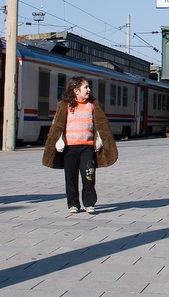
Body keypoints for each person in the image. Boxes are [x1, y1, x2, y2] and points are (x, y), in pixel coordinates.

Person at [42, 76, 118, 214]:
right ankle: (73, 204)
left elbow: (102, 125)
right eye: (85, 87)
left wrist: (103, 142)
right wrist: (54, 141)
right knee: (70, 177)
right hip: (69, 148)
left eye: (88, 87)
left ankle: (89, 203)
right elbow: (57, 125)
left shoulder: (92, 105)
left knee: (89, 176)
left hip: (87, 148)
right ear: (76, 90)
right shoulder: (65, 106)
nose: (89, 90)